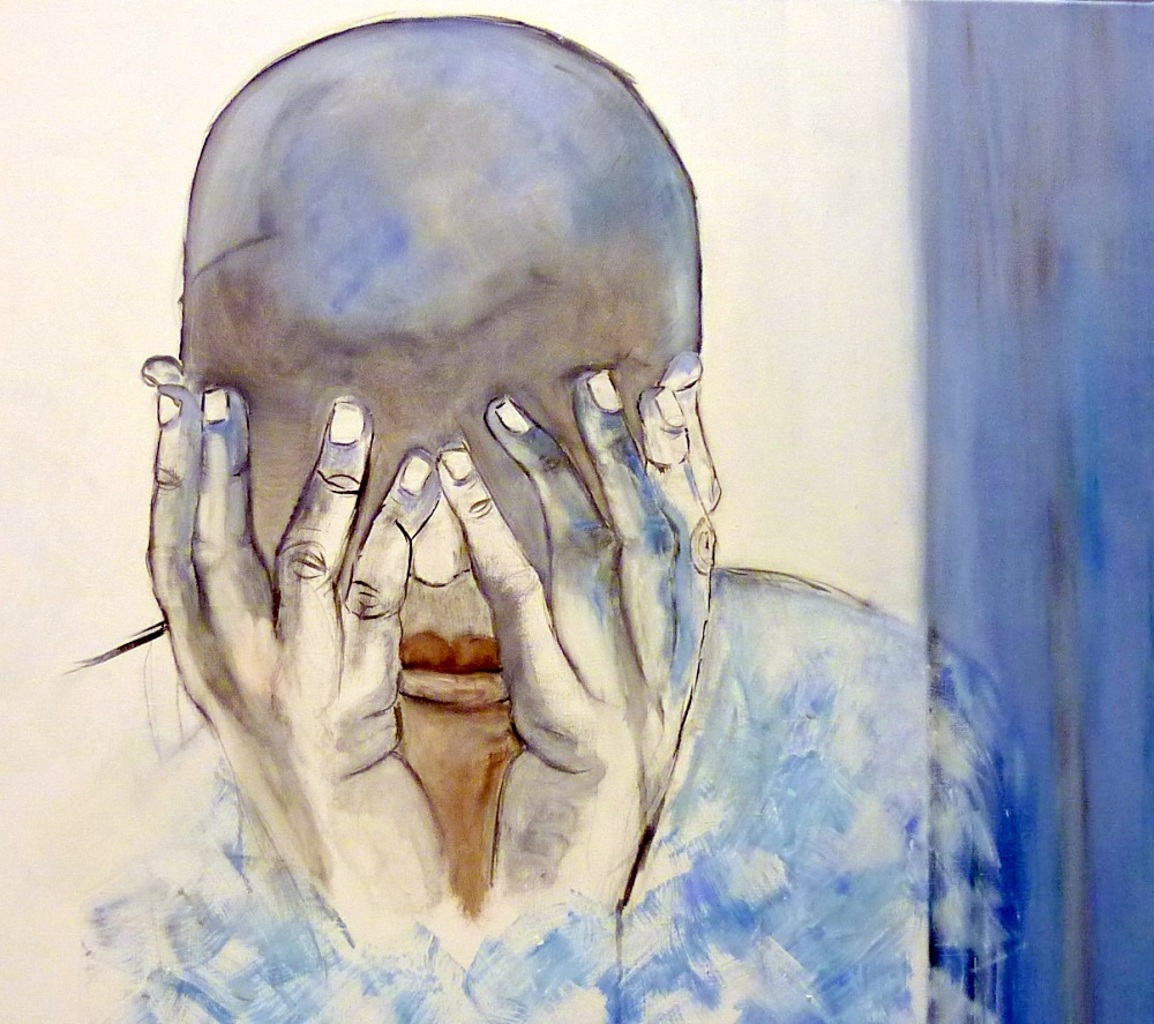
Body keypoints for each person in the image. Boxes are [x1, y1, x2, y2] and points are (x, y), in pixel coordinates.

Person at [89, 17, 1019, 1022]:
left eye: (523, 447)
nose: (438, 563)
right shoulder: (78, 815)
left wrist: (551, 929)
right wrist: (392, 924)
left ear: (670, 433)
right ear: (193, 445)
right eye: (351, 463)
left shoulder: (873, 757)